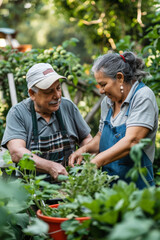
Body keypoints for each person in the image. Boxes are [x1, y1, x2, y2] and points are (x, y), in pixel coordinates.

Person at [69, 51, 159, 189]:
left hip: (137, 189)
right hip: (109, 186)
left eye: (103, 84)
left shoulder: (143, 97)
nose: (101, 91)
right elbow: (101, 136)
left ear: (120, 78)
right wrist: (84, 149)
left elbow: (132, 141)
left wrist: (95, 162)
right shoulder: (108, 102)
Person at [1, 63, 92, 180]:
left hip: (68, 184)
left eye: (58, 88)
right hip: (32, 188)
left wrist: (83, 153)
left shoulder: (67, 107)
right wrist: (50, 166)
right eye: (49, 92)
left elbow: (86, 138)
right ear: (32, 94)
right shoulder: (18, 113)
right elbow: (16, 152)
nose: (57, 95)